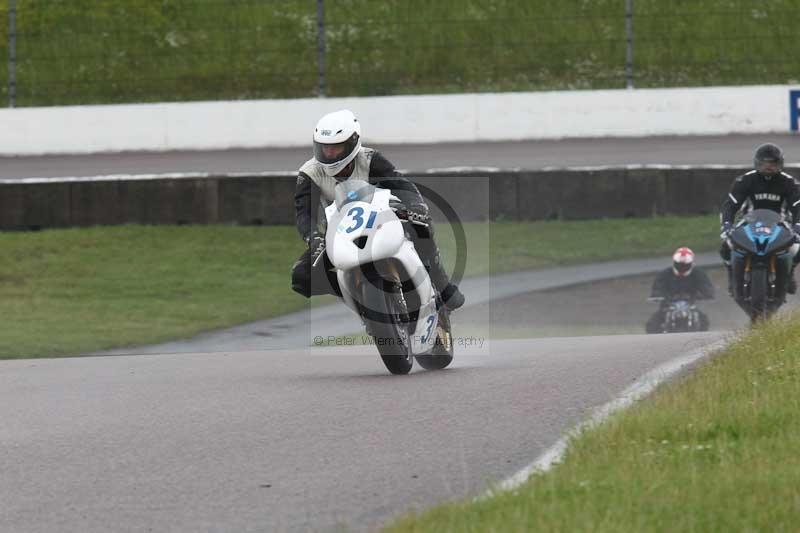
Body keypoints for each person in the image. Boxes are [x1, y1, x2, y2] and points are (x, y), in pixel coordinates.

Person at [291, 109, 465, 310]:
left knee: (420, 224)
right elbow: (304, 212)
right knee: (301, 277)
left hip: (382, 219)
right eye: (324, 148)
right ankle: (358, 300)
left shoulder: (370, 159)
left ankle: (441, 284)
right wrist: (314, 238)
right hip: (340, 234)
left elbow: (401, 185)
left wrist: (415, 206)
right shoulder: (309, 172)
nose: (329, 154)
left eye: (335, 148)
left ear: (352, 143)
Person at [719, 143, 800, 295]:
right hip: (749, 221)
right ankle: (731, 275)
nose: (768, 168)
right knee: (726, 246)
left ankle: (790, 273)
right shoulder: (744, 181)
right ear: (757, 163)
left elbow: (798, 207)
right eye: (764, 164)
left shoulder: (790, 183)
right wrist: (727, 226)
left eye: (773, 164)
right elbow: (729, 206)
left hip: (780, 223)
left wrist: (797, 226)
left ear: (780, 164)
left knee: (797, 248)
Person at [645, 247, 714, 334]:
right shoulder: (665, 274)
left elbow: (706, 286)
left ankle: (699, 339)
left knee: (703, 321)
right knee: (652, 324)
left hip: (690, 304)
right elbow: (657, 288)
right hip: (668, 305)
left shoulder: (698, 273)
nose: (682, 267)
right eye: (679, 264)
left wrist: (705, 294)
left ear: (691, 263)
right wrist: (657, 295)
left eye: (685, 265)